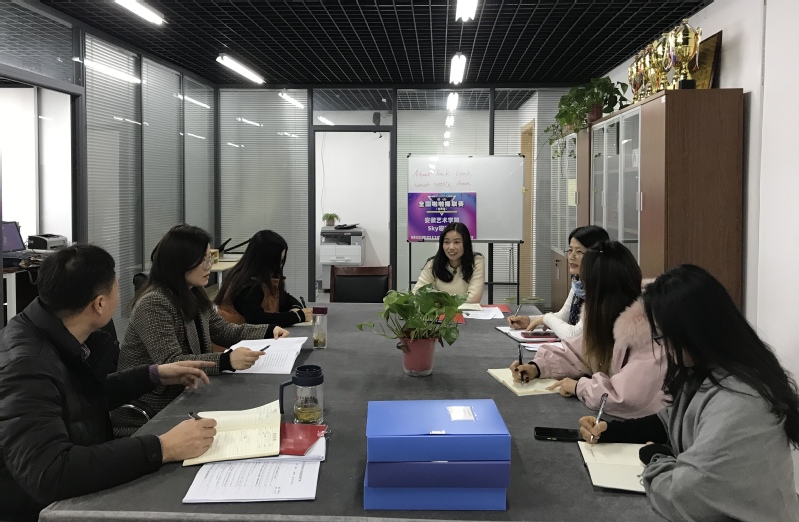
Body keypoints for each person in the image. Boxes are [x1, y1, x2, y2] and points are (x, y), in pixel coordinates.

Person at [0, 245, 218, 521]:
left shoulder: (52, 332)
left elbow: (77, 397)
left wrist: (153, 375)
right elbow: (49, 472)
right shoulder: (27, 366)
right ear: (100, 304)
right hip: (39, 510)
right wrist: (163, 447)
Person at [579, 265, 799, 521]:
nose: (663, 347)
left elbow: (687, 495)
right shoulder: (710, 370)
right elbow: (672, 418)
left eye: (662, 336)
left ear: (693, 331)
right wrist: (612, 431)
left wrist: (658, 460)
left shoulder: (740, 400)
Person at [113, 225, 289, 432]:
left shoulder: (193, 292)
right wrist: (226, 360)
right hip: (153, 412)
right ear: (181, 262)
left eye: (209, 258)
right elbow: (171, 362)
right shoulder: (154, 303)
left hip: (189, 396)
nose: (209, 266)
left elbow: (223, 330)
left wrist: (269, 330)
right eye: (203, 260)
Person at [510, 240, 666, 418]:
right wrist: (537, 367)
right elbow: (581, 353)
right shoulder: (610, 314)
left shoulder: (649, 330)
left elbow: (625, 397)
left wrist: (580, 387)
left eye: (586, 284)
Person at [508, 225, 609, 338]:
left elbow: (574, 334)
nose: (571, 257)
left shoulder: (603, 287)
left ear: (596, 255)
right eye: (570, 250)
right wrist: (530, 321)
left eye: (579, 251)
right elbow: (563, 317)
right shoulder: (580, 283)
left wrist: (545, 318)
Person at [214, 230, 312, 327]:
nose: (279, 265)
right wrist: (296, 316)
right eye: (278, 260)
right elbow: (257, 319)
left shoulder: (264, 279)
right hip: (238, 337)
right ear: (266, 260)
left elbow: (285, 298)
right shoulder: (247, 285)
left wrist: (295, 308)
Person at [412, 223, 485, 303]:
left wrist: (439, 301)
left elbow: (474, 298)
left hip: (466, 311)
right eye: (447, 242)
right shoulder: (433, 264)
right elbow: (417, 294)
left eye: (456, 242)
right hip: (440, 311)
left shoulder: (476, 261)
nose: (451, 247)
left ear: (466, 243)